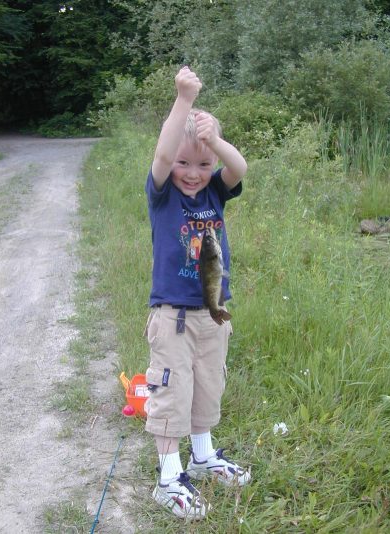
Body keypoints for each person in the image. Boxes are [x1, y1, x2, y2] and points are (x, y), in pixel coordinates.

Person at [144, 66, 250, 520]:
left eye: (203, 165)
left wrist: (215, 143)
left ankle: (203, 458)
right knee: (172, 394)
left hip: (213, 313)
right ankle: (169, 479)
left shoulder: (216, 195)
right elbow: (166, 154)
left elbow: (239, 167)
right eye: (186, 163)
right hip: (172, 316)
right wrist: (184, 100)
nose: (193, 173)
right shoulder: (164, 194)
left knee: (208, 387)